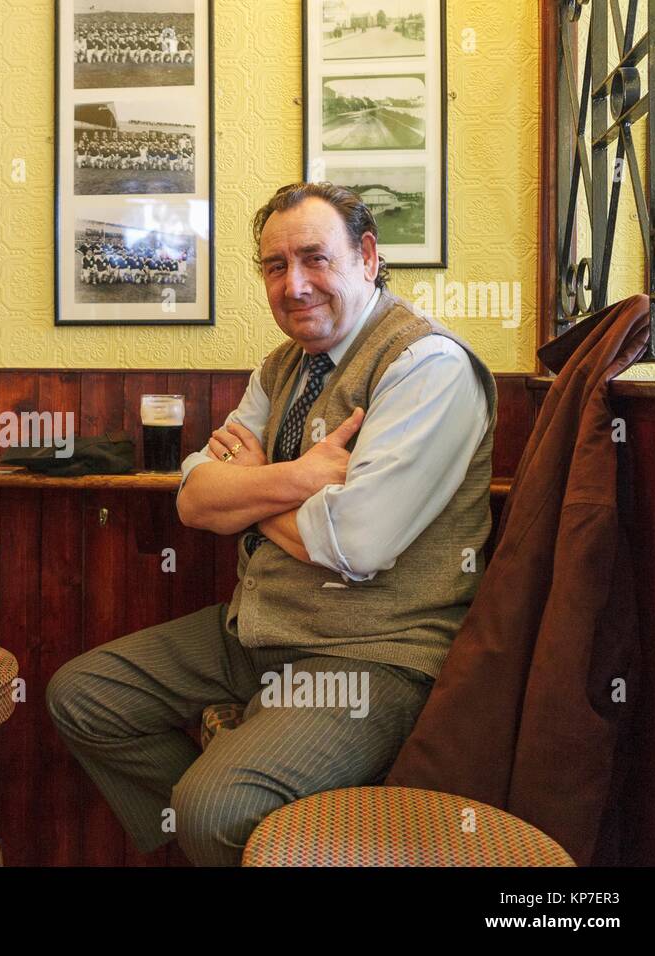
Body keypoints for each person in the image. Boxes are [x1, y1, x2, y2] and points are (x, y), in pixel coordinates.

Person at [47, 181, 497, 865]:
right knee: (83, 697)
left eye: (316, 258)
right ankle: (234, 844)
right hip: (255, 630)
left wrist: (252, 499)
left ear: (368, 257)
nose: (295, 284)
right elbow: (195, 501)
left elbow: (357, 542)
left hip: (375, 656)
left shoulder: (427, 365)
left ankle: (223, 820)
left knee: (214, 805)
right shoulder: (282, 364)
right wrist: (302, 478)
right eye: (275, 266)